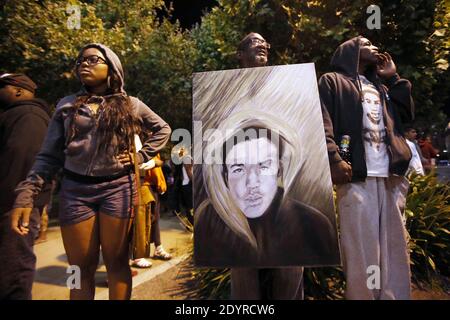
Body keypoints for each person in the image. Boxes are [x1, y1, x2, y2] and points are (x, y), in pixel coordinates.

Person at [10, 44, 171, 300]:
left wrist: (139, 157)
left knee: (116, 262)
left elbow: (163, 129)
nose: (83, 64)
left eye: (93, 59)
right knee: (78, 268)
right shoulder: (67, 105)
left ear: (112, 67)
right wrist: (27, 193)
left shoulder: (131, 104)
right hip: (75, 192)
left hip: (118, 189)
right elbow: (48, 156)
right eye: (80, 61)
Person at [198, 32, 306, 300]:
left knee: (291, 262)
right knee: (242, 262)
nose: (261, 46)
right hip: (238, 192)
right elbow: (209, 135)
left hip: (278, 188)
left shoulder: (284, 87)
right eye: (253, 43)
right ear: (240, 54)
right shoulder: (223, 90)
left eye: (265, 43)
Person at [319, 36, 414, 299]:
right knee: (361, 248)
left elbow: (406, 115)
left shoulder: (381, 87)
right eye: (367, 43)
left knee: (394, 246)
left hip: (390, 176)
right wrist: (335, 158)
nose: (374, 47)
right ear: (351, 50)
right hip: (356, 176)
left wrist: (394, 79)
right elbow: (323, 122)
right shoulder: (333, 81)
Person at [195, 124, 338, 268]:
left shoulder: (313, 226)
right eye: (238, 169)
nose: (252, 183)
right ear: (226, 178)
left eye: (263, 167)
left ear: (279, 171)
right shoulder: (209, 223)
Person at [0, 73, 52, 300]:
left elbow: (24, 162)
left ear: (18, 90)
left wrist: (20, 201)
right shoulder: (14, 116)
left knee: (13, 274)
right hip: (11, 206)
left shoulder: (28, 116)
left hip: (13, 207)